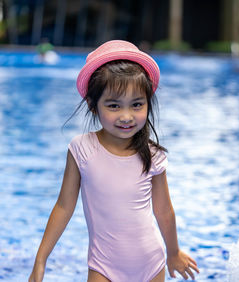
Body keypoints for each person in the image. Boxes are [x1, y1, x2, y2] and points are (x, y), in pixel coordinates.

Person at [29, 40, 200, 282]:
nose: (126, 116)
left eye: (137, 105)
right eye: (114, 105)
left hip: (151, 265)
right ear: (93, 106)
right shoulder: (82, 150)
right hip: (103, 267)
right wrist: (40, 260)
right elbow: (64, 207)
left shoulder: (152, 155)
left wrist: (173, 253)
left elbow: (163, 210)